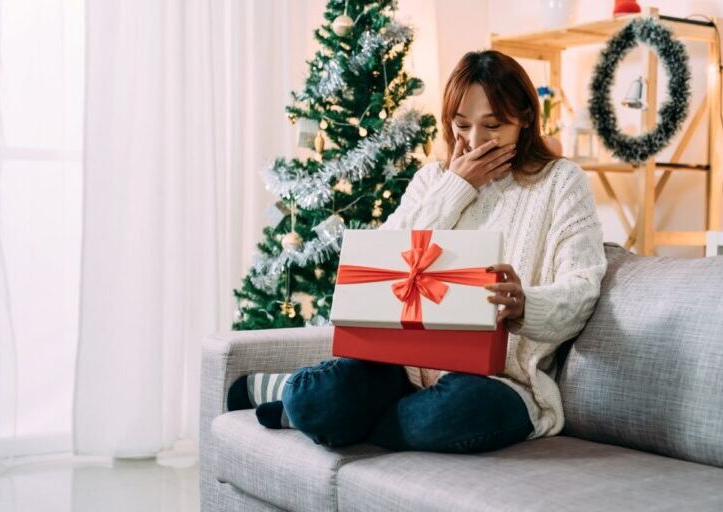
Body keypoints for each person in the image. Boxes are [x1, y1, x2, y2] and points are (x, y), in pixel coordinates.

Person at [226, 50, 608, 454]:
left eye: (492, 126)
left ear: (526, 118)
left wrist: (524, 305)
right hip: (404, 369)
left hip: (500, 383)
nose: (475, 142)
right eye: (462, 126)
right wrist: (457, 188)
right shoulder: (433, 181)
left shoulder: (561, 182)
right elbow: (387, 257)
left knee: (451, 413)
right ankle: (308, 403)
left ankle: (330, 416)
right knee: (315, 398)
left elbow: (582, 289)